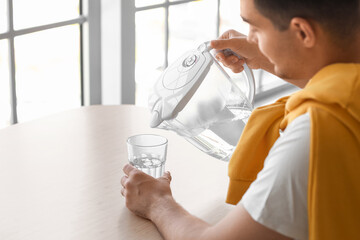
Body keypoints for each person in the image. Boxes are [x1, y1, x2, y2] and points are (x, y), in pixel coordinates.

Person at [121, 0, 360, 239]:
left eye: (255, 28)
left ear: (302, 32)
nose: (250, 39)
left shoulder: (316, 134)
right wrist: (266, 55)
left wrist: (157, 202)